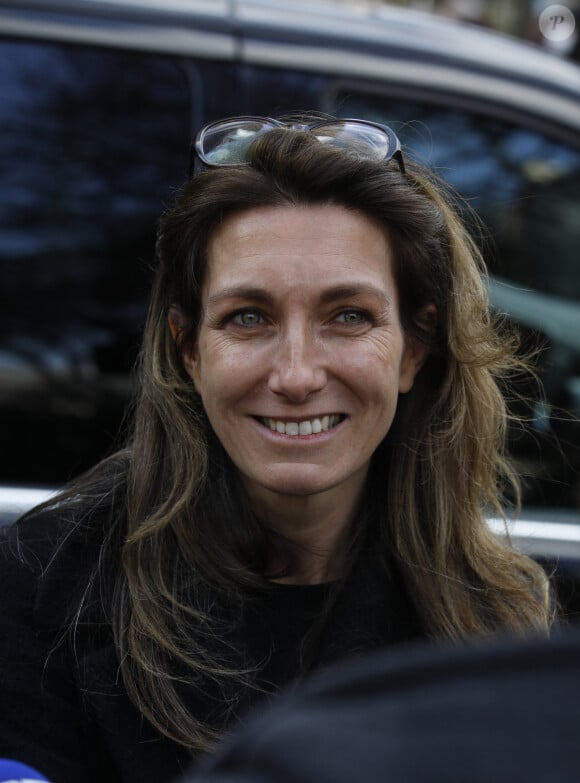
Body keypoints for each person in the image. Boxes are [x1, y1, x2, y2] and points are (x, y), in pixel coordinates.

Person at [0, 115, 552, 783]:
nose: (295, 375)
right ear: (189, 351)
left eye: (348, 315)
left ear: (414, 349)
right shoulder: (43, 593)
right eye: (248, 317)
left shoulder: (494, 621)